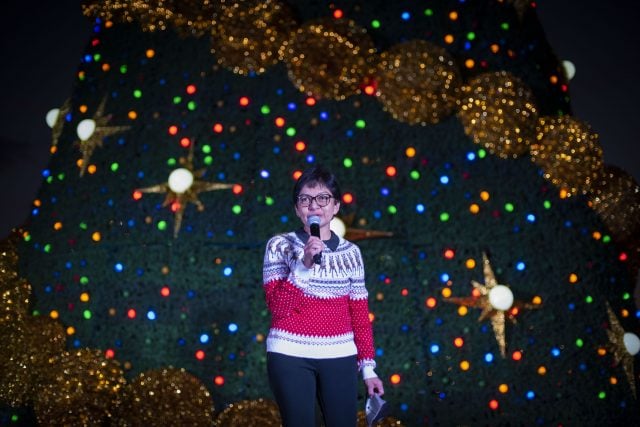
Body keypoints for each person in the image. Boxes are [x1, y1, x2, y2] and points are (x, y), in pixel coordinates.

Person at [262, 165, 385, 427]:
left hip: (339, 354)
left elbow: (360, 316)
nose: (314, 206)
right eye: (305, 200)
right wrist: (303, 266)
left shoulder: (351, 254)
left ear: (336, 206)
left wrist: (368, 369)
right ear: (297, 209)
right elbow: (278, 307)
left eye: (323, 199)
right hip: (289, 353)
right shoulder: (279, 246)